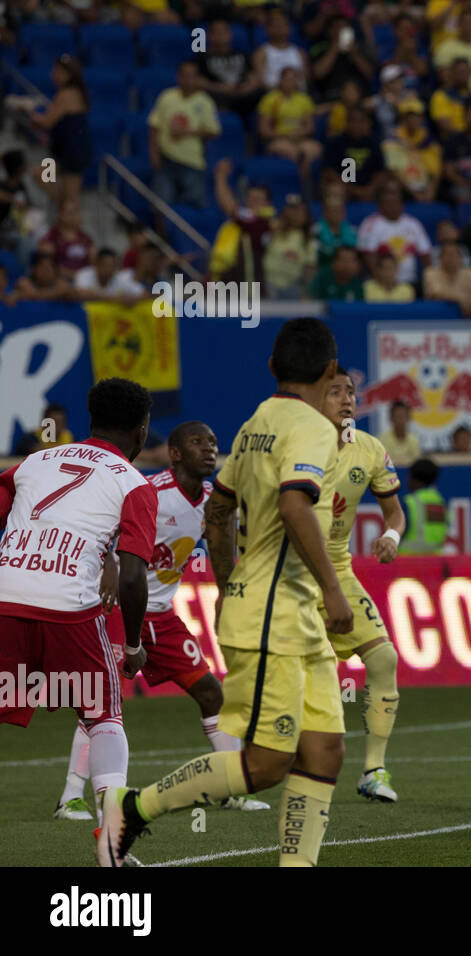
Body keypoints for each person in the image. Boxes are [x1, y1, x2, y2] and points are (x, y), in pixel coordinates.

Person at [100, 318, 351, 868]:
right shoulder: (310, 429)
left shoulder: (257, 421)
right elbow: (293, 504)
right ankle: (132, 808)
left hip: (287, 610)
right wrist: (334, 590)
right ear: (330, 370)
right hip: (275, 613)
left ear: (271, 368)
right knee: (264, 766)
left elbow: (220, 506)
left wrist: (225, 582)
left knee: (325, 749)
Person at [53, 422, 271, 824]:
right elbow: (103, 528)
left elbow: (224, 549)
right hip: (119, 610)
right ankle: (71, 798)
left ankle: (231, 789)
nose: (209, 449)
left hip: (163, 617)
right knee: (102, 704)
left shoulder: (213, 501)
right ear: (174, 453)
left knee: (211, 693)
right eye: (197, 442)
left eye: (213, 442)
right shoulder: (151, 492)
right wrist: (105, 568)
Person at [0, 378, 158, 867]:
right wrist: (132, 645)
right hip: (68, 609)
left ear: (89, 420)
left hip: (5, 598)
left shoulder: (32, 461)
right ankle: (111, 843)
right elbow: (132, 577)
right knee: (102, 715)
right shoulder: (134, 484)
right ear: (142, 430)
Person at [318, 367, 407, 801]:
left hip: (339, 570)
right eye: (335, 392)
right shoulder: (293, 446)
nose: (346, 399)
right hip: (291, 577)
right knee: (298, 681)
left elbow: (395, 513)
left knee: (384, 659)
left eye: (350, 391)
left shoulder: (370, 449)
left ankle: (373, 770)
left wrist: (391, 537)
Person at [148, 60, 222, 210]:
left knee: (194, 206)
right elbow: (153, 126)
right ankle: (162, 234)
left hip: (193, 161)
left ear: (197, 78)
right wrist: (154, 152)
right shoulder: (166, 97)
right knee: (162, 206)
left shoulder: (205, 101)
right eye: (184, 75)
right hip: (166, 159)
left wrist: (188, 132)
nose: (188, 79)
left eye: (192, 76)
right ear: (178, 77)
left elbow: (214, 131)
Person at [20, 54, 90, 208]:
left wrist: (27, 111)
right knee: (40, 174)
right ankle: (62, 207)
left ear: (69, 75)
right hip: (61, 153)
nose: (54, 75)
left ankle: (68, 213)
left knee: (72, 199)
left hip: (73, 153)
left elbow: (47, 121)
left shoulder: (68, 94)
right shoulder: (67, 93)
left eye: (59, 72)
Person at [357, 176, 433, 286]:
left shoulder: (413, 223)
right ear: (380, 205)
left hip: (410, 281)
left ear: (402, 205)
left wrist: (428, 280)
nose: (392, 206)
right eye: (388, 203)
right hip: (380, 281)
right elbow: (367, 255)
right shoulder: (371, 223)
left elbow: (426, 254)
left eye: (395, 202)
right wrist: (380, 279)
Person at [257, 67, 322, 195]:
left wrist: (298, 134)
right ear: (280, 80)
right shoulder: (270, 99)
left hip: (300, 138)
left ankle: (307, 189)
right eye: (287, 79)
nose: (290, 82)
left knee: (315, 149)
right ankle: (296, 187)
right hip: (279, 139)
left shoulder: (304, 99)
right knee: (295, 153)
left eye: (293, 79)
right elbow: (264, 130)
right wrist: (285, 134)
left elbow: (310, 127)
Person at [322, 108, 386, 201]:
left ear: (365, 123)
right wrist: (353, 190)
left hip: (369, 188)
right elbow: (329, 172)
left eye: (360, 121)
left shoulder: (374, 143)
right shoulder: (335, 143)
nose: (356, 125)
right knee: (334, 190)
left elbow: (380, 171)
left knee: (390, 187)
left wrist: (370, 189)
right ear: (346, 123)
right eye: (353, 121)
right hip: (344, 187)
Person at [424, 242, 471, 315]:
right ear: (440, 258)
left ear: (460, 258)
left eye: (454, 255)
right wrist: (460, 298)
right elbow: (435, 293)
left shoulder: (470, 272)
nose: (451, 259)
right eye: (448, 255)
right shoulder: (431, 272)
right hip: (438, 317)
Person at [252, 7, 308, 91]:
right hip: (273, 96)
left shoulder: (300, 53)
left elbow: (305, 80)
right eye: (276, 25)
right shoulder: (261, 53)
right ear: (267, 29)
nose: (280, 28)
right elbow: (260, 82)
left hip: (297, 95)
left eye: (283, 24)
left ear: (289, 28)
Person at [400, 458, 448, 554]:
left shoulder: (409, 502)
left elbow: (397, 533)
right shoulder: (440, 502)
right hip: (435, 562)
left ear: (414, 479)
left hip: (408, 562)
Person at [39, 199, 95, 281]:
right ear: (60, 215)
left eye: (75, 213)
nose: (73, 217)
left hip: (82, 280)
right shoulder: (52, 236)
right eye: (69, 213)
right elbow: (48, 262)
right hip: (60, 278)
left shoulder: (85, 237)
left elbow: (93, 263)